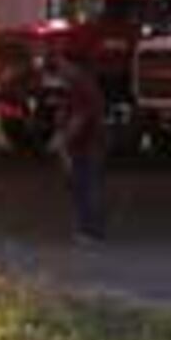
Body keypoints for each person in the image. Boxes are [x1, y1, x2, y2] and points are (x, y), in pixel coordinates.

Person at [48, 52, 108, 243]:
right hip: (84, 143)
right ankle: (88, 228)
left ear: (73, 65)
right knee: (83, 186)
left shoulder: (81, 86)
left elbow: (80, 118)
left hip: (86, 144)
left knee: (85, 187)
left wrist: (63, 139)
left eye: (62, 64)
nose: (60, 68)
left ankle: (90, 230)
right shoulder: (78, 84)